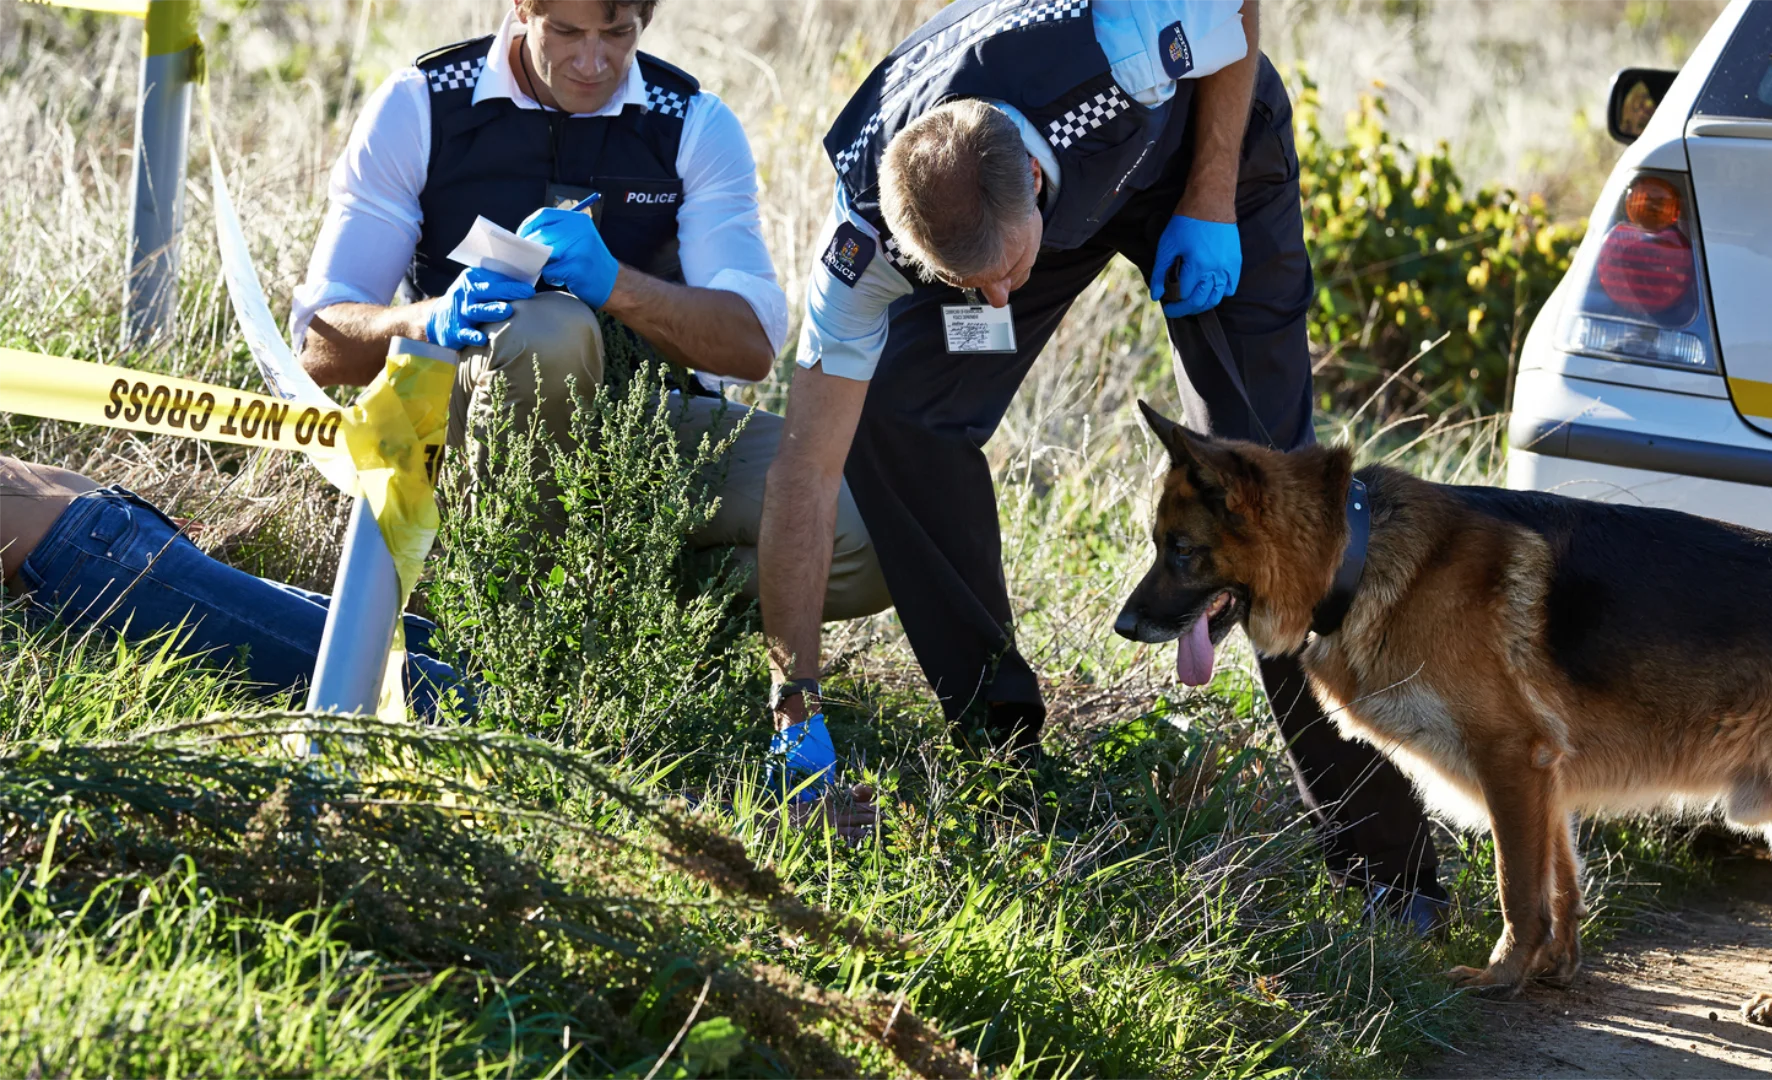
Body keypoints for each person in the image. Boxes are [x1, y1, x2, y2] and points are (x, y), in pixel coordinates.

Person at [760, 0, 1446, 921]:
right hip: (1002, 210)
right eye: (975, 289)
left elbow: (1233, 15)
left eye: (1004, 274)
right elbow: (803, 472)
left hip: (1201, 142)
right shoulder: (864, 241)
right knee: (897, 421)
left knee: (1276, 506)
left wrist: (1207, 198)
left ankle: (1388, 873)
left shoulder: (1115, 43)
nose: (998, 299)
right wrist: (793, 703)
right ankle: (1003, 756)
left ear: (1036, 190)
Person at [289, 0, 889, 624]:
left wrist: (617, 286)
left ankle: (635, 622)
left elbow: (751, 346)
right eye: (567, 32)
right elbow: (317, 346)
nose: (592, 61)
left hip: (644, 429)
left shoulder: (692, 123)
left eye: (617, 33)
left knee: (868, 532)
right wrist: (426, 320)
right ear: (522, 9)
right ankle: (515, 630)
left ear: (646, 18)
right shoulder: (421, 105)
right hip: (467, 425)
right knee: (550, 331)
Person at [0, 456, 467, 716]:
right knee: (381, 640)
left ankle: (525, 735)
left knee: (369, 671)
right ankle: (522, 692)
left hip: (92, 552)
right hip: (102, 526)